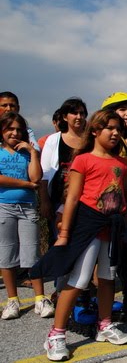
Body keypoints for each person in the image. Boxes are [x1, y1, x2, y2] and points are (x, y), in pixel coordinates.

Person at [31, 110, 127, 361]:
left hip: (113, 228)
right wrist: (64, 234)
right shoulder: (83, 160)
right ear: (95, 131)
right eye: (109, 127)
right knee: (80, 279)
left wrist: (124, 228)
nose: (115, 132)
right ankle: (56, 334)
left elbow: (122, 196)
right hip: (87, 226)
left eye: (118, 128)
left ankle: (104, 324)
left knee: (108, 278)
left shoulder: (122, 163)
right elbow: (72, 198)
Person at [0, 112, 54, 320]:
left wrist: (32, 152)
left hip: (28, 207)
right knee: (7, 253)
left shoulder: (26, 153)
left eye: (18, 129)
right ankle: (12, 300)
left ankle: (40, 297)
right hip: (4, 206)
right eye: (9, 129)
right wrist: (24, 185)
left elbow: (36, 177)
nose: (14, 133)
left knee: (32, 253)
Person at [39, 98, 88, 245]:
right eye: (74, 113)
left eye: (82, 113)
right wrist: (44, 202)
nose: (79, 117)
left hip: (84, 199)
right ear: (65, 117)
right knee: (58, 241)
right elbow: (45, 174)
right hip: (58, 199)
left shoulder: (90, 140)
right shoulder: (54, 140)